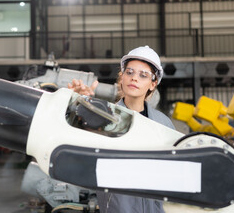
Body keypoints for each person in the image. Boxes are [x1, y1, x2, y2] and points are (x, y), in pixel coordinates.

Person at [67, 45, 174, 213]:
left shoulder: (163, 124)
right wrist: (76, 106)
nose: (134, 78)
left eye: (143, 75)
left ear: (153, 84)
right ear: (121, 78)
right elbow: (78, 153)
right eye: (129, 72)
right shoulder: (102, 118)